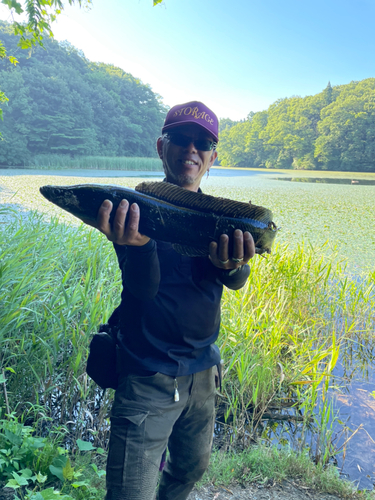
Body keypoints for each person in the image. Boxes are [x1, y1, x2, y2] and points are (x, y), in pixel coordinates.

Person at [93, 101, 255, 500]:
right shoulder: (134, 210)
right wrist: (142, 246)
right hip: (147, 373)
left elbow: (235, 281)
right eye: (180, 139)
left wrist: (233, 264)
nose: (191, 150)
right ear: (160, 147)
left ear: (213, 157)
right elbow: (143, 291)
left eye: (203, 143)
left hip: (203, 370)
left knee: (190, 469)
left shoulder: (220, 220)